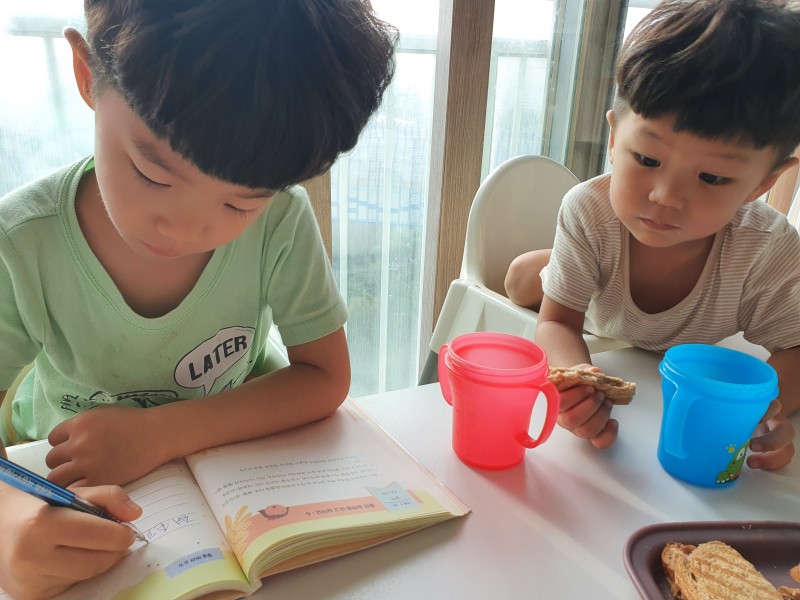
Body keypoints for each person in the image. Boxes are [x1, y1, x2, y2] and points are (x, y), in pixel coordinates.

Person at [0, 0, 397, 596]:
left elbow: (323, 375)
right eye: (153, 176)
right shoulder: (21, 242)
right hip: (71, 481)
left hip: (236, 476)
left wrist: (158, 433)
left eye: (241, 203)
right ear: (87, 76)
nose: (186, 231)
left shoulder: (282, 222)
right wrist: (8, 525)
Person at [504, 0, 800, 471]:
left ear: (764, 183)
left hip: (664, 336)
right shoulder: (588, 210)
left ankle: (557, 267)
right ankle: (548, 267)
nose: (665, 197)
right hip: (603, 309)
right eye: (646, 159)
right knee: (522, 280)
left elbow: (795, 349)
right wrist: (577, 379)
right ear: (615, 137)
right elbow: (558, 323)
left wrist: (764, 409)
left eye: (712, 178)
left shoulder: (767, 246)